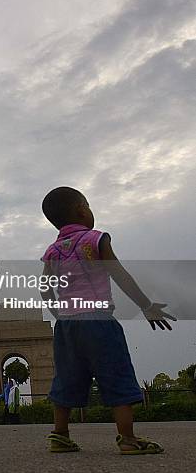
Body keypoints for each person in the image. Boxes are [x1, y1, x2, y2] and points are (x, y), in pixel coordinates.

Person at [40, 187, 176, 454]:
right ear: (81, 210)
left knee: (66, 378)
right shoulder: (96, 239)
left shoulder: (52, 251)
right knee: (116, 375)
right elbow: (119, 274)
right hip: (99, 321)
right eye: (88, 205)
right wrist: (146, 305)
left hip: (67, 325)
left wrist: (60, 314)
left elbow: (45, 287)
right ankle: (127, 439)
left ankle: (60, 435)